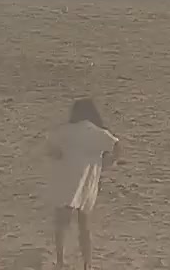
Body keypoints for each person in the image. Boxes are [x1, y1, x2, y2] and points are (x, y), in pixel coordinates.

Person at [46, 98, 121, 270]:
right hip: (87, 182)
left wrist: (57, 154)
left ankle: (60, 261)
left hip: (66, 180)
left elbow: (50, 145)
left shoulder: (66, 130)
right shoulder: (96, 132)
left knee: (62, 223)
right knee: (84, 225)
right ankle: (87, 263)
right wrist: (110, 161)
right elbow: (117, 145)